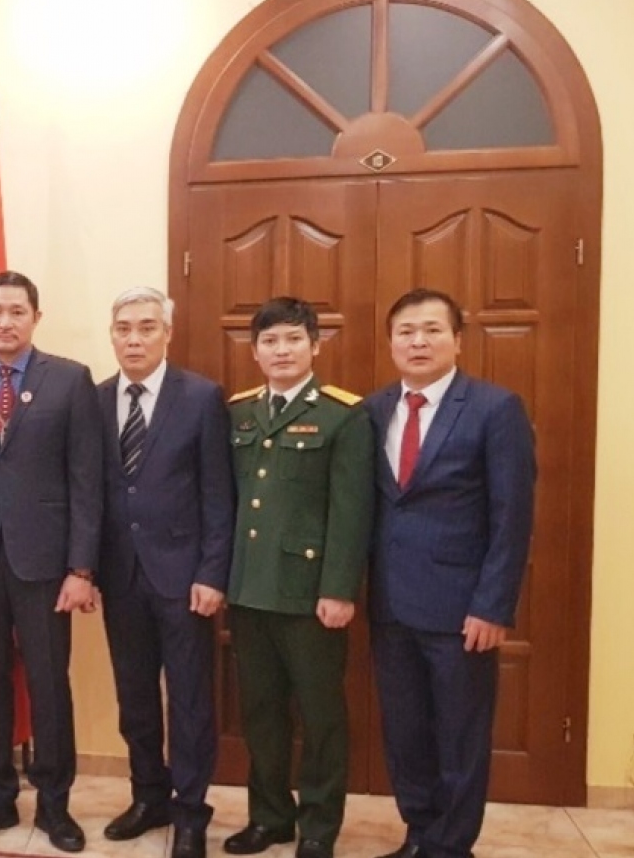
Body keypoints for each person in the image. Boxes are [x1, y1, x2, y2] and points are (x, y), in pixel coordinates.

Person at [363, 289, 536, 858]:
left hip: (462, 610)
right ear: (391, 343)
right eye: (406, 331)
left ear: (457, 340)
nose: (418, 341)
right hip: (390, 605)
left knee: (460, 737)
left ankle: (451, 847)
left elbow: (512, 517)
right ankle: (420, 835)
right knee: (405, 733)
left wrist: (493, 605)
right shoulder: (374, 410)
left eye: (432, 330)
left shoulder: (495, 408)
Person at [0, 271, 102, 854]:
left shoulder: (71, 379)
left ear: (36, 317)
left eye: (17, 312)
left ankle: (55, 804)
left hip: (47, 564)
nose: (5, 322)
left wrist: (81, 569)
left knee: (49, 685)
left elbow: (86, 481)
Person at [222, 297, 374, 858]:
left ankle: (317, 827)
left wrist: (339, 589)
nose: (281, 350)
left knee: (320, 716)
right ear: (255, 351)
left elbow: (351, 512)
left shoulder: (342, 415)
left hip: (310, 595)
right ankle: (269, 817)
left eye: (292, 339)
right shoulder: (240, 412)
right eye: (269, 341)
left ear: (314, 345)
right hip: (250, 590)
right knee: (260, 714)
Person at [95, 287, 235, 858]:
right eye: (124, 328)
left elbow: (218, 494)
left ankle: (190, 812)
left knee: (190, 700)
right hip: (120, 576)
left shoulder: (200, 397)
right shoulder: (96, 399)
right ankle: (148, 795)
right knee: (134, 698)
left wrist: (213, 573)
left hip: (184, 579)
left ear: (167, 333)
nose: (134, 339)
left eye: (147, 327)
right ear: (112, 335)